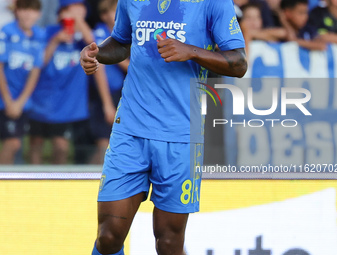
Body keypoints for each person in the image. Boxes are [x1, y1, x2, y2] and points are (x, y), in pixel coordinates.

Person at [80, 0, 247, 254]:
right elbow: (122, 42)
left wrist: (191, 51)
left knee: (168, 241)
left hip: (181, 134)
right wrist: (97, 53)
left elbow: (239, 63)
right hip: (130, 128)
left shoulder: (213, 3)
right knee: (108, 236)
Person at [28, 0, 93, 164]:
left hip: (66, 104)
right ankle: (34, 185)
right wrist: (55, 40)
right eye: (74, 8)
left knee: (61, 147)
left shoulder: (82, 38)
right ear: (62, 11)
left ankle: (57, 185)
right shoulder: (49, 31)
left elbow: (94, 47)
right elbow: (40, 62)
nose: (78, 11)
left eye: (81, 7)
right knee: (36, 143)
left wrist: (78, 22)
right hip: (43, 99)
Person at [0, 0, 44, 164]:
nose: (28, 14)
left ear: (38, 14)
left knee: (16, 144)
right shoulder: (6, 32)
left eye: (32, 10)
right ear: (16, 10)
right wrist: (8, 101)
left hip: (22, 102)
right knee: (12, 143)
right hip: (5, 100)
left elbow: (35, 71)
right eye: (24, 9)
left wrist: (20, 101)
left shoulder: (39, 35)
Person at [89, 0, 129, 164]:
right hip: (105, 95)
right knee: (104, 144)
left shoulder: (125, 35)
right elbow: (99, 70)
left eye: (113, 11)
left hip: (121, 93)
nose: (108, 16)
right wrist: (107, 104)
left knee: (116, 145)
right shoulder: (100, 33)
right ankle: (85, 178)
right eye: (105, 12)